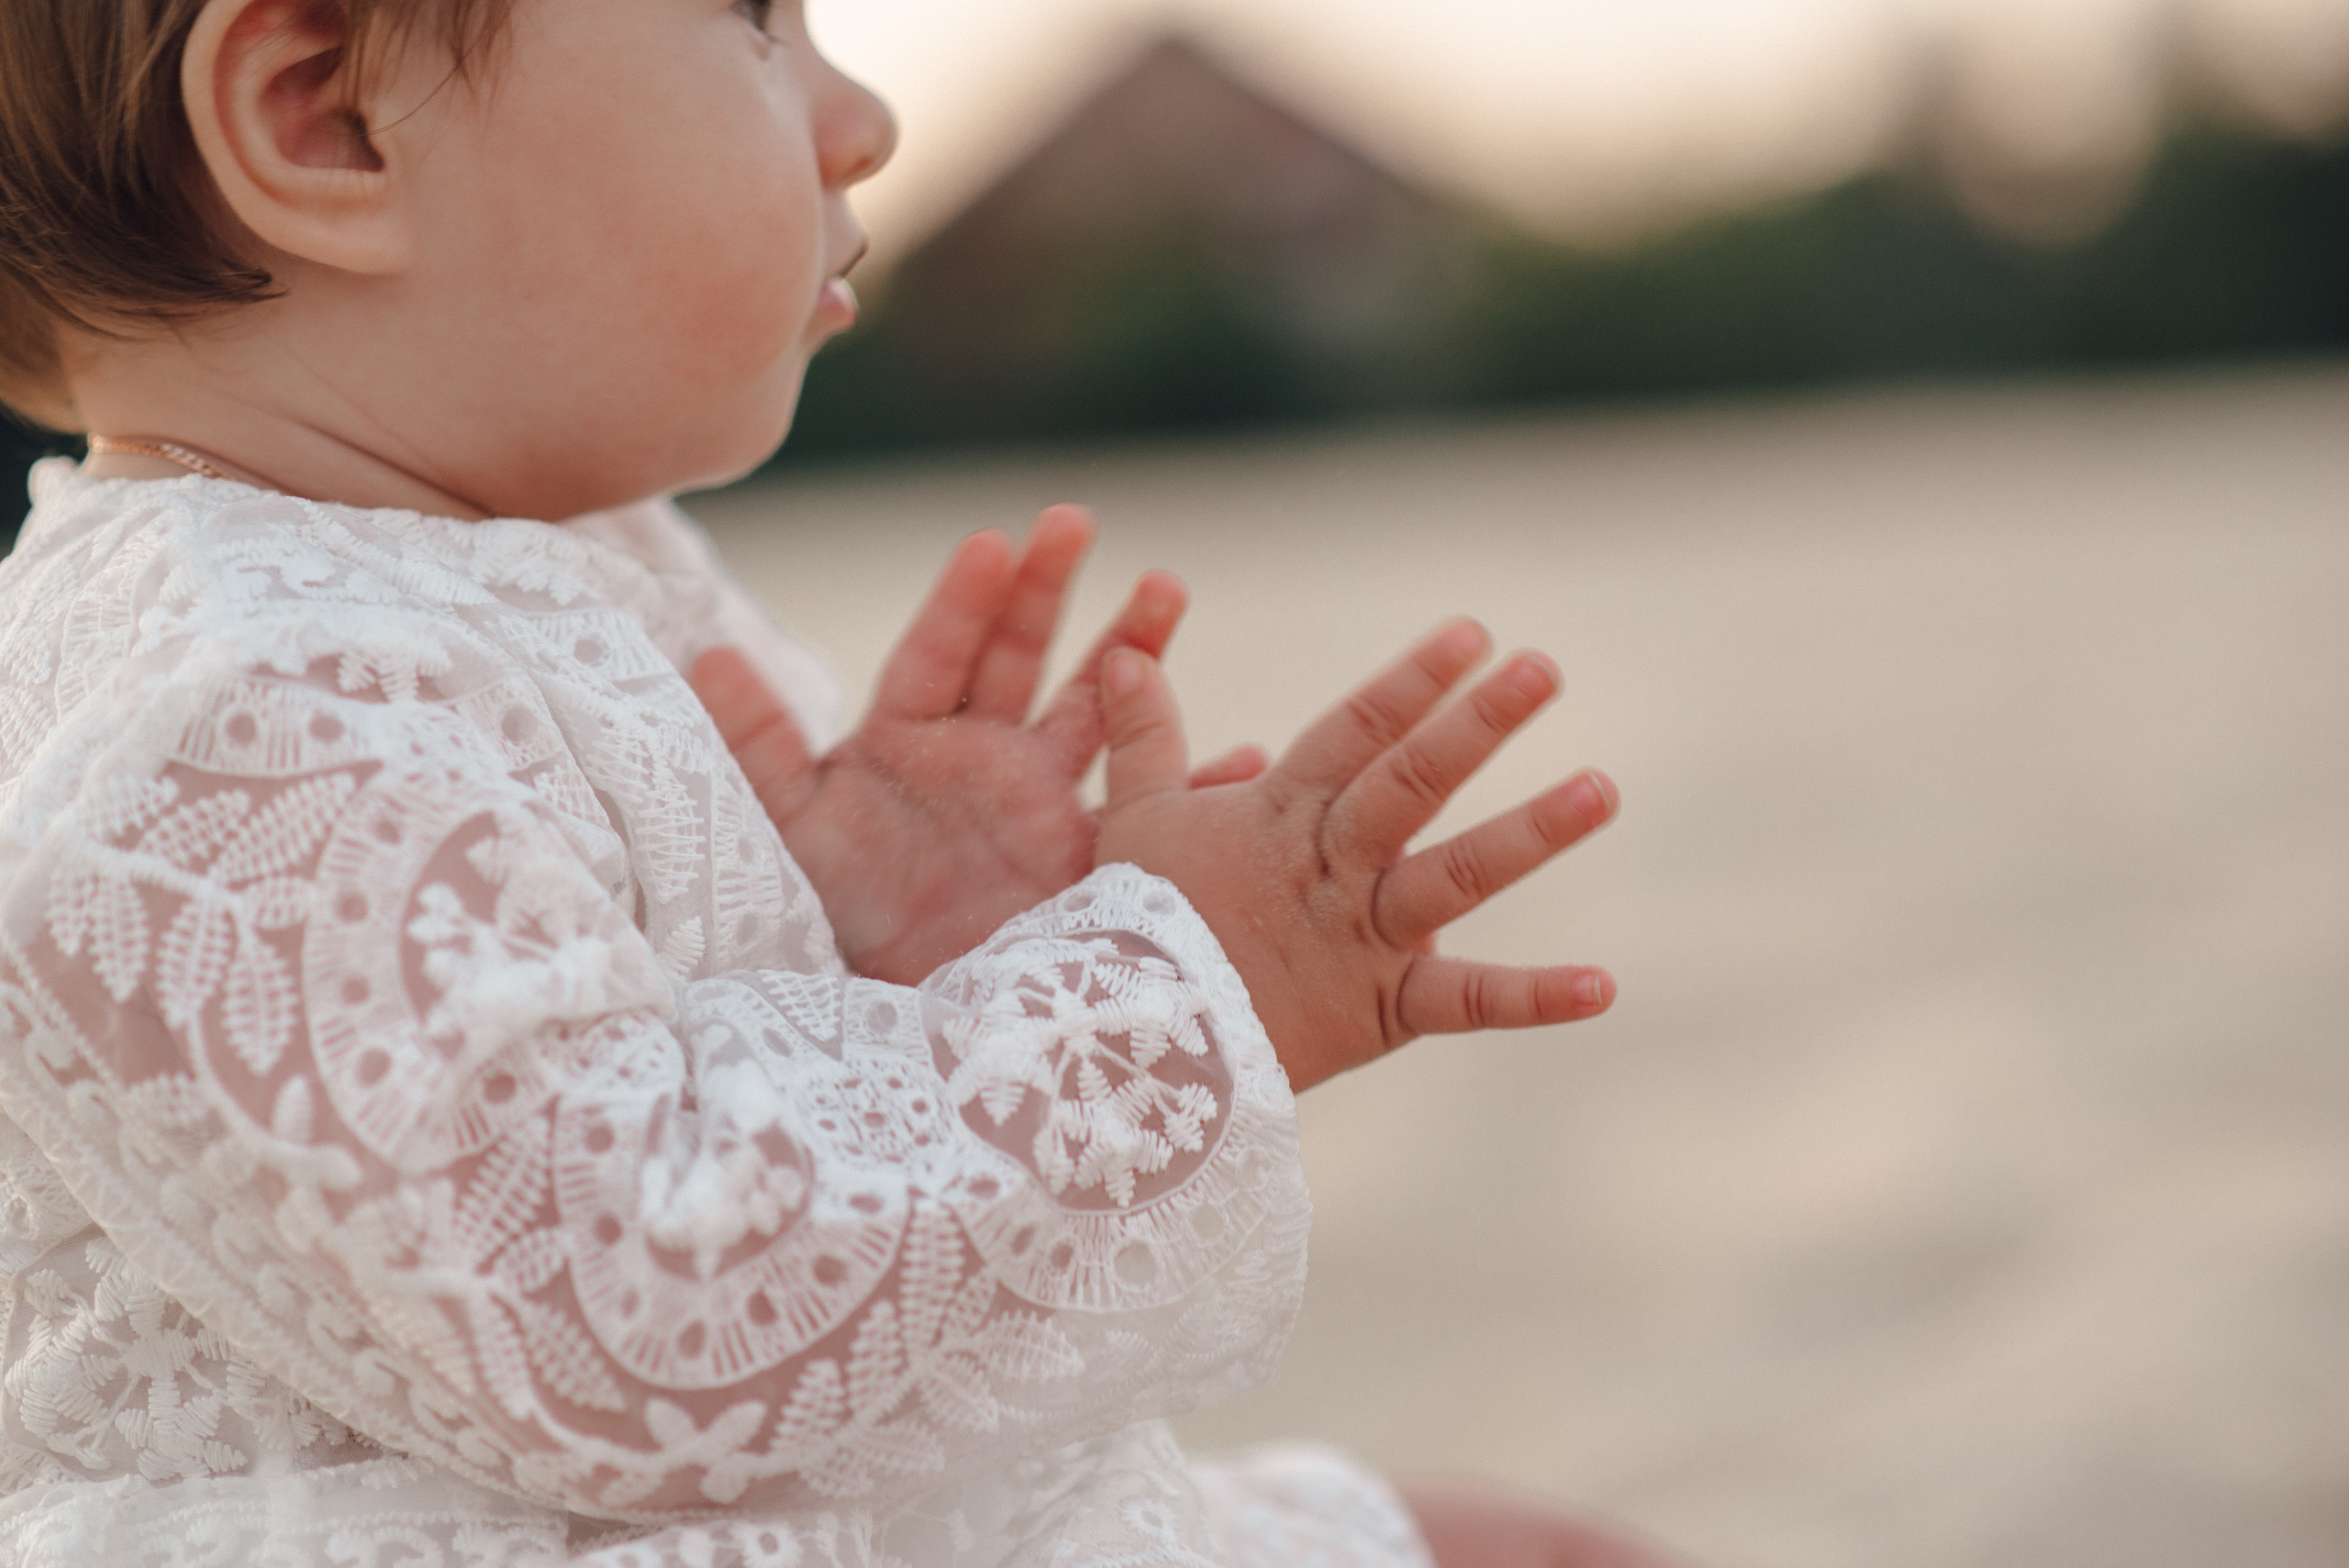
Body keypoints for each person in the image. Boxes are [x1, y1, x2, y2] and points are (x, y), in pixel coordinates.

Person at [0, 2, 1676, 1563]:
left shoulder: (536, 567)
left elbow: (650, 1092)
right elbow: (627, 1309)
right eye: (753, 16)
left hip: (821, 1507)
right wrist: (1160, 1008)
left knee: (1518, 1545)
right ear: (329, 121)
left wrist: (889, 957)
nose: (864, 119)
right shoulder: (229, 705)